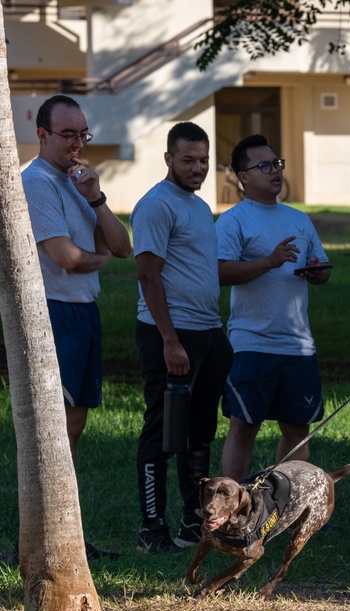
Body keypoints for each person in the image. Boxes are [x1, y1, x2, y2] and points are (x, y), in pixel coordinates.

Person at [22, 94, 132, 561]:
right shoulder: (36, 182)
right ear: (42, 134)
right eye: (68, 134)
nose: (78, 143)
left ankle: (65, 533)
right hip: (54, 311)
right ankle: (43, 538)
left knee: (75, 424)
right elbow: (66, 258)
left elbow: (124, 246)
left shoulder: (78, 181)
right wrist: (100, 257)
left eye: (83, 134)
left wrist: (98, 199)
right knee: (57, 428)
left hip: (84, 310)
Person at [132, 122, 233, 554]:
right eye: (188, 160)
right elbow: (147, 275)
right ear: (169, 158)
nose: (197, 168)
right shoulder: (156, 205)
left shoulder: (197, 205)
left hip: (208, 332)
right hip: (170, 334)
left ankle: (196, 522)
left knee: (199, 431)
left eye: (204, 161)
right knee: (163, 429)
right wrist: (169, 340)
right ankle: (152, 528)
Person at [216, 134, 331, 480]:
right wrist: (268, 261)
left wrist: (315, 271)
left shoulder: (298, 218)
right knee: (244, 426)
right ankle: (234, 505)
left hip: (298, 344)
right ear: (243, 176)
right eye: (264, 165)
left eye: (277, 164)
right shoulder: (233, 220)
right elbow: (220, 272)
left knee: (298, 430)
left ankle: (288, 506)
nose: (275, 171)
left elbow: (323, 272)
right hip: (251, 343)